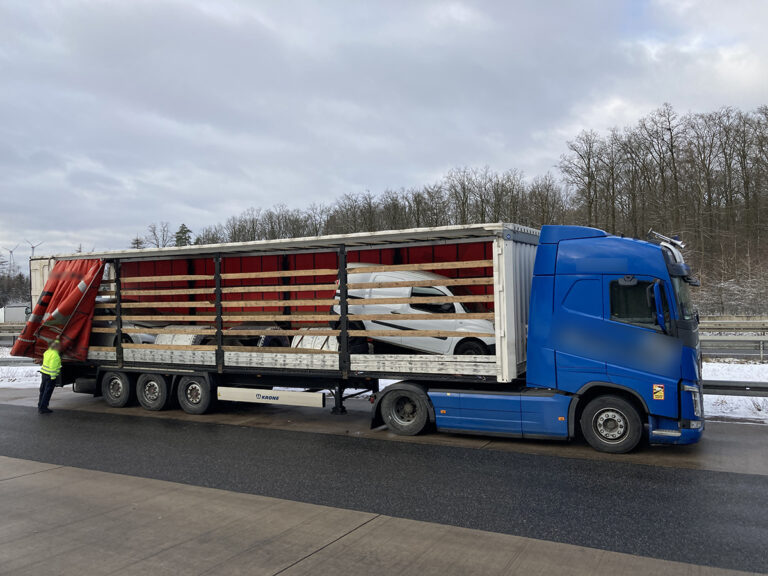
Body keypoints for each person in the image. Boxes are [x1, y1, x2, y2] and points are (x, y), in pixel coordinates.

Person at [38, 340, 62, 414]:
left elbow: (54, 344)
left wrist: (58, 339)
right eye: (58, 346)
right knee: (47, 392)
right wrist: (53, 377)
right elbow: (53, 367)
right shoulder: (55, 355)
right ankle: (43, 408)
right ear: (56, 347)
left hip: (44, 373)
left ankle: (40, 405)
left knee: (42, 391)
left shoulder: (47, 352)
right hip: (50, 376)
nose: (60, 347)